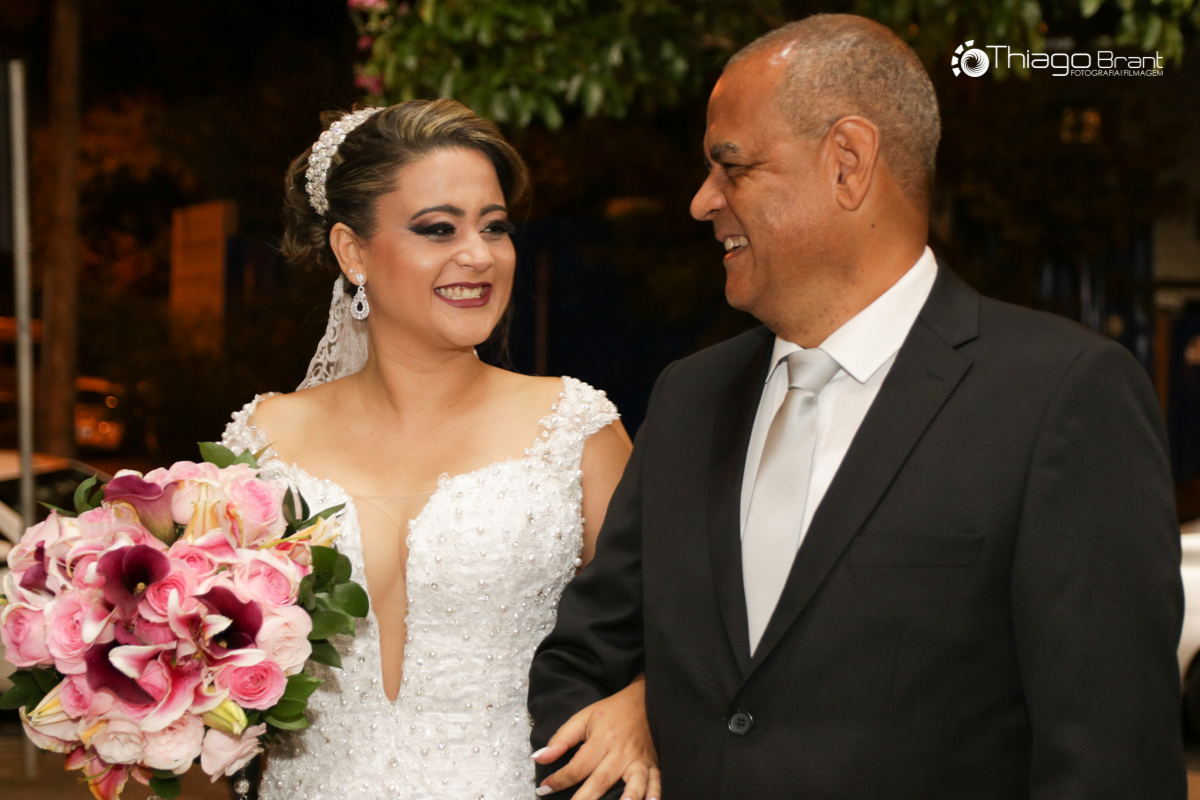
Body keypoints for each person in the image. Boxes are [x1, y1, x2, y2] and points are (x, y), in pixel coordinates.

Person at [528, 14, 1186, 799]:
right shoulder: (689, 398)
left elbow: (1111, 758)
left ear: (847, 162)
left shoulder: (1061, 396)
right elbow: (582, 665)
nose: (702, 202)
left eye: (732, 167)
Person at [221, 99, 656, 800]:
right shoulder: (264, 442)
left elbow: (678, 624)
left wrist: (641, 706)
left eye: (495, 227)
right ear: (353, 252)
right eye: (438, 228)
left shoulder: (574, 428)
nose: (479, 255)